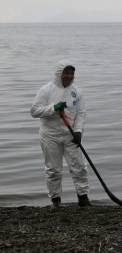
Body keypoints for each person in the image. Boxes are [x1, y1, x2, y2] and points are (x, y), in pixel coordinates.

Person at [30, 60, 91, 208]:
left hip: (70, 135)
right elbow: (34, 111)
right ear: (59, 74)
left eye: (72, 73)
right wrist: (53, 108)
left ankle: (83, 198)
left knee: (79, 166)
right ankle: (56, 201)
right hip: (50, 135)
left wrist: (78, 131)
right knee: (53, 169)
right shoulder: (46, 90)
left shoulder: (76, 92)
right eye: (66, 73)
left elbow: (81, 113)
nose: (69, 76)